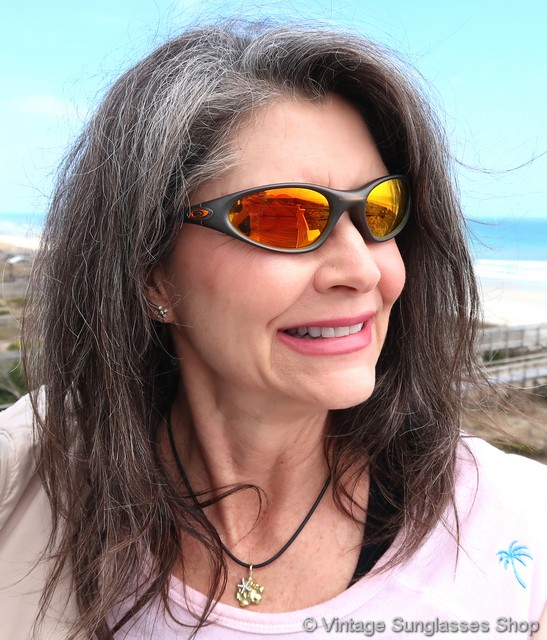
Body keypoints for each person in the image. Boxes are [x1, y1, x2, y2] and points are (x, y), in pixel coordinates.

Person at [0, 19, 546, 640]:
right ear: (153, 276)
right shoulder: (25, 489)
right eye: (284, 218)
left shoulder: (516, 535)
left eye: (380, 211)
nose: (362, 269)